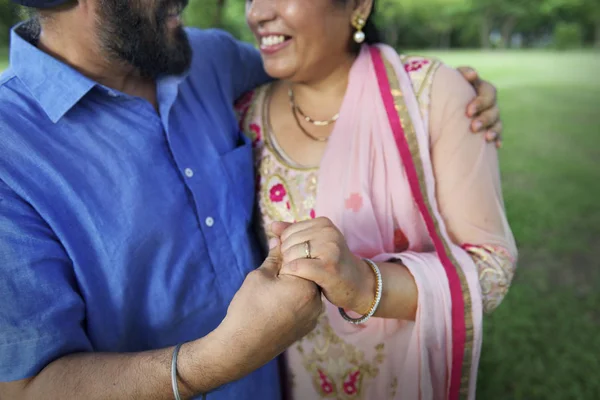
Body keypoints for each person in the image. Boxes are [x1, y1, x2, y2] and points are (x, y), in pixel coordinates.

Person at [0, 0, 502, 399]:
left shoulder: (208, 59)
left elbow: (329, 68)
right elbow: (25, 389)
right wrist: (216, 360)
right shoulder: (10, 150)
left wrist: (438, 95)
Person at [236, 0, 517, 399]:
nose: (256, 13)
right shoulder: (245, 117)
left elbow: (491, 268)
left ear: (358, 5)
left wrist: (364, 284)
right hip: (290, 381)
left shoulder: (429, 98)